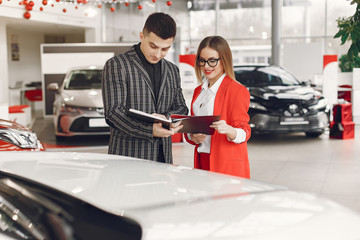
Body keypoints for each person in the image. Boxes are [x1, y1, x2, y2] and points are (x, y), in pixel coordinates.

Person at [102, 12, 188, 163]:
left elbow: (181, 107)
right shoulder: (117, 65)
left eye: (165, 49)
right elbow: (113, 113)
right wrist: (149, 130)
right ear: (142, 36)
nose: (158, 54)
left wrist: (168, 118)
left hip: (164, 158)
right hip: (128, 158)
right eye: (153, 46)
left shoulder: (172, 70)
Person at [185, 36, 251, 178]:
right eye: (202, 61)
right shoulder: (198, 92)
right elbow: (193, 127)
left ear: (224, 60)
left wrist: (229, 130)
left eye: (212, 61)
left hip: (226, 164)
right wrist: (192, 136)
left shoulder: (237, 91)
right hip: (202, 160)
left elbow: (245, 132)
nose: (206, 66)